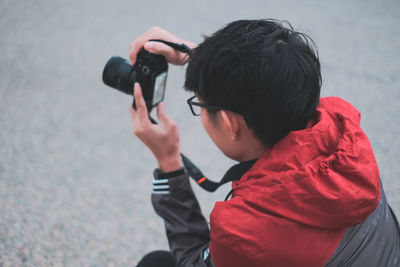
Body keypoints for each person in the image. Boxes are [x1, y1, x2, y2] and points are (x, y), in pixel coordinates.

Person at [128, 20, 400, 267]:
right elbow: (276, 81)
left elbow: (191, 262)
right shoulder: (344, 132)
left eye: (199, 103)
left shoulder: (245, 231)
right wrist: (198, 56)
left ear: (230, 123)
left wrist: (169, 163)